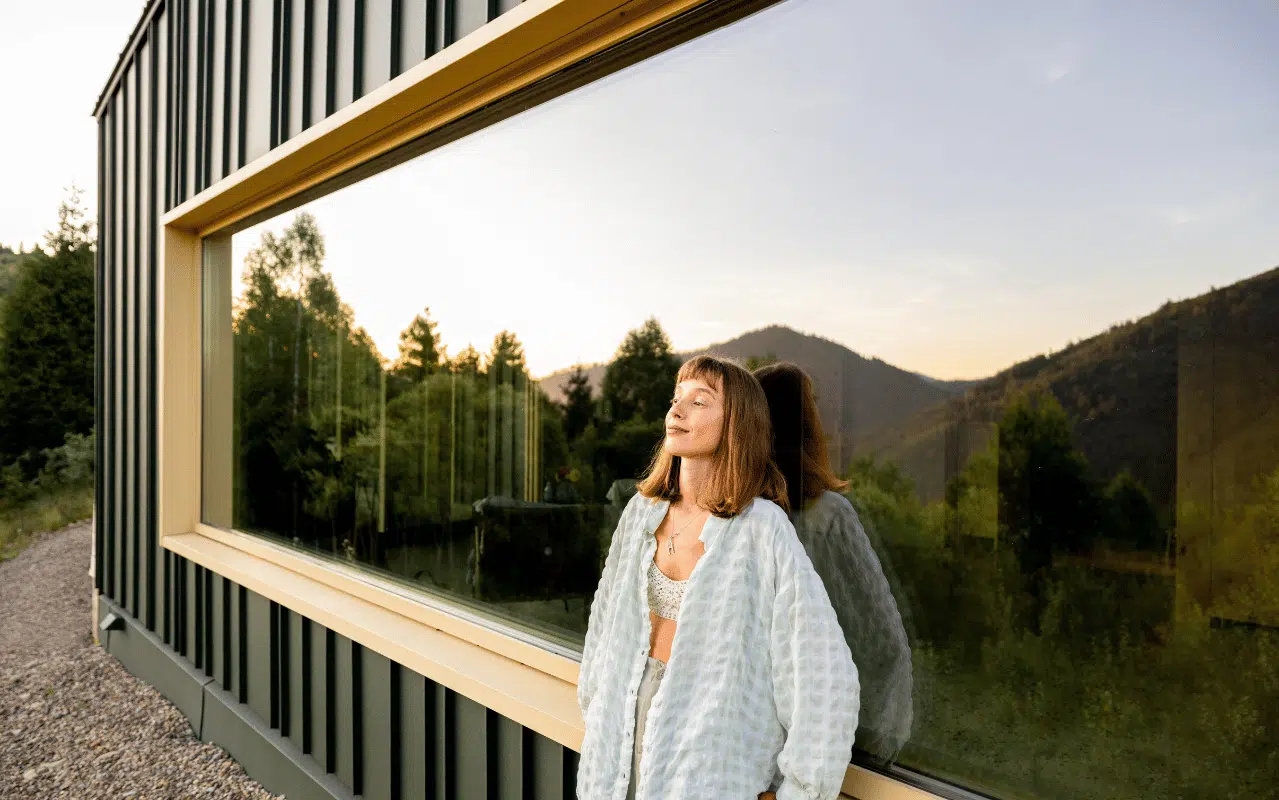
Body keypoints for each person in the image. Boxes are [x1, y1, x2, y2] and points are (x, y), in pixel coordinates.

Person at [577, 355, 858, 800]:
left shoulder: (761, 529)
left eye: (699, 401)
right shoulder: (640, 514)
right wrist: (598, 722)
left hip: (707, 767)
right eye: (677, 398)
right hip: (617, 753)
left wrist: (798, 792)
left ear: (736, 424)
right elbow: (602, 635)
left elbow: (822, 675)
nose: (677, 410)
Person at [754, 361, 913, 762]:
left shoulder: (726, 517)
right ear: (806, 427)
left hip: (754, 749)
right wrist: (874, 748)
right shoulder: (828, 517)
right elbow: (883, 643)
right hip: (821, 752)